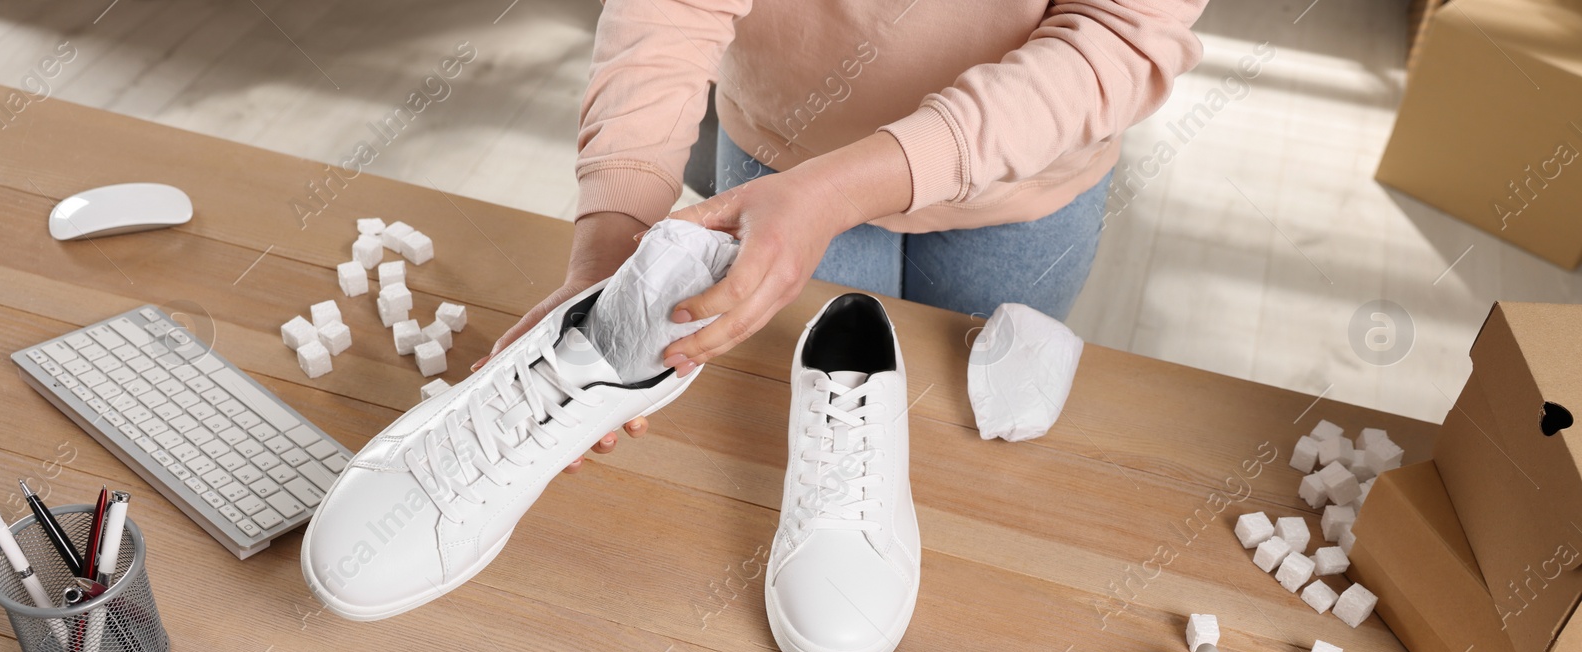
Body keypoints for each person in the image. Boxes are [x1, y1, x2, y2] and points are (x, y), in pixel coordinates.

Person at [478, 0, 1208, 466]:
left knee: (970, 440)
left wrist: (833, 194)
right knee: (801, 413)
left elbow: (1116, 37)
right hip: (785, 150)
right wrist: (613, 246)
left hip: (1023, 188)